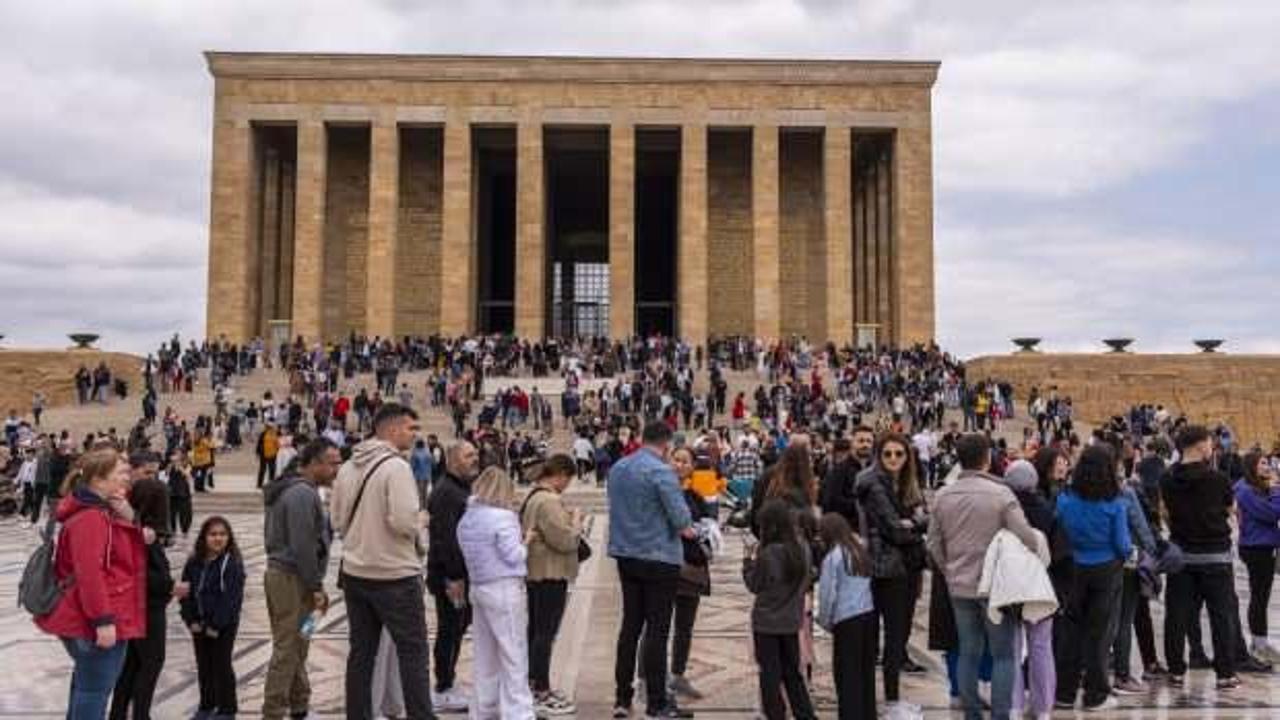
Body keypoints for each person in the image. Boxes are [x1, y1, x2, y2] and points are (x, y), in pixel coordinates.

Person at [330, 403, 435, 720]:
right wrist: (421, 521)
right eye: (410, 428)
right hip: (394, 576)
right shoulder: (396, 467)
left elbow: (336, 519)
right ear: (391, 429)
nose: (414, 434)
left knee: (362, 654)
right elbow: (403, 522)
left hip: (355, 573)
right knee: (413, 652)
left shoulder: (348, 467)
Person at [927, 433, 1038, 720]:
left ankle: (972, 714)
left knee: (968, 651)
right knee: (1003, 654)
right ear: (987, 458)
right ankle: (1000, 715)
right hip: (996, 589)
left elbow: (933, 544)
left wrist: (949, 569)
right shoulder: (1002, 494)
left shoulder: (942, 495)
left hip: (960, 586)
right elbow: (1027, 536)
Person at [36, 447, 146, 719]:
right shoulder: (91, 517)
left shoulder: (100, 510)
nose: (127, 477)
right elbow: (90, 574)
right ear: (98, 480)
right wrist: (103, 621)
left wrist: (129, 515)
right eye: (121, 473)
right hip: (96, 617)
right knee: (94, 691)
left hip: (96, 612)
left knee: (88, 686)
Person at [606, 421, 694, 719]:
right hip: (659, 557)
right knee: (657, 630)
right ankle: (657, 702)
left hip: (625, 553)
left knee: (630, 626)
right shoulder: (661, 472)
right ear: (667, 444)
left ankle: (622, 698)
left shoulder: (618, 468)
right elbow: (681, 519)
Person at [261, 438, 341, 720]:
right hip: (293, 581)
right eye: (333, 463)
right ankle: (273, 712)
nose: (337, 469)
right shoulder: (301, 495)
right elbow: (303, 545)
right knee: (287, 647)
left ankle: (299, 705)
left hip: (290, 578)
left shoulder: (298, 490)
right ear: (315, 463)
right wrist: (316, 587)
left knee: (300, 640)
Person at [1162, 425, 1241, 689]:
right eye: (1209, 443)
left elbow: (1165, 513)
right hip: (1215, 555)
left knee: (1177, 615)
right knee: (1221, 616)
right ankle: (1225, 673)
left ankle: (1175, 669)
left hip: (1182, 555)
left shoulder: (1167, 478)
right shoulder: (1217, 479)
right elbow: (1231, 509)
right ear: (1199, 446)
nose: (1212, 447)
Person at [1054, 445, 1131, 711]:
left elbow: (1059, 530)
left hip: (1074, 568)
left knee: (1070, 632)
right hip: (1106, 569)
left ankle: (1064, 692)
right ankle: (1095, 694)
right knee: (1099, 634)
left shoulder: (1064, 500)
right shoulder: (1116, 504)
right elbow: (1123, 544)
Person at [856, 432, 928, 718]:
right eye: (888, 454)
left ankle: (892, 699)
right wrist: (916, 525)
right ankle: (889, 703)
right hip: (886, 567)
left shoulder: (906, 483)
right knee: (889, 635)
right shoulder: (873, 484)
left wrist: (914, 523)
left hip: (905, 566)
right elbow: (894, 529)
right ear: (878, 455)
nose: (894, 459)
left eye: (899, 453)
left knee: (898, 636)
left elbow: (920, 518)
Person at [457, 466, 537, 719]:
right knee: (514, 652)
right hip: (503, 587)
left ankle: (484, 708)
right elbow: (514, 556)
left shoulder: (468, 517)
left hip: (479, 587)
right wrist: (526, 541)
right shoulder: (503, 517)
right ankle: (518, 712)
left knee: (485, 653)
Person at [111, 453, 177, 720]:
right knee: (150, 662)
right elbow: (141, 573)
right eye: (147, 473)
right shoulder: (142, 532)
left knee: (132, 664)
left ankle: (119, 714)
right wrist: (171, 585)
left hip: (136, 604)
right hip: (146, 605)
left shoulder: (132, 524)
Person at [521, 454, 582, 716]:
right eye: (567, 480)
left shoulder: (533, 496)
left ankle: (532, 682)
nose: (567, 485)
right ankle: (540, 688)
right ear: (560, 474)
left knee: (536, 631)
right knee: (544, 633)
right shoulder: (548, 501)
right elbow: (565, 540)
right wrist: (576, 521)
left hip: (537, 572)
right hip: (550, 572)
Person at [744, 499, 816, 720]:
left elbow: (754, 585)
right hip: (791, 619)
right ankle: (805, 715)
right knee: (793, 673)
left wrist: (747, 560)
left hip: (766, 622)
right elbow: (808, 579)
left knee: (770, 675)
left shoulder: (769, 553)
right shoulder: (802, 548)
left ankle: (776, 715)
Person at [426, 440, 480, 712]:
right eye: (469, 455)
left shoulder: (459, 488)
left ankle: (447, 682)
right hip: (450, 577)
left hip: (458, 575)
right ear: (453, 460)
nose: (475, 458)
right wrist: (455, 577)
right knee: (449, 630)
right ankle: (443, 687)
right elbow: (446, 540)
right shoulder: (448, 492)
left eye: (475, 454)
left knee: (457, 629)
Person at [1001, 459, 1057, 720]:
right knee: (1041, 648)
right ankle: (1043, 707)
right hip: (1039, 587)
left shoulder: (1002, 510)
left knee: (1010, 648)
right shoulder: (1047, 510)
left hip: (1008, 588)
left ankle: (1012, 705)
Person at [179, 516, 246, 720]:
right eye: (213, 534)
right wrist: (190, 620)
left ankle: (227, 709)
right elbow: (186, 592)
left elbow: (231, 598)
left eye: (223, 534)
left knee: (221, 664)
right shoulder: (194, 562)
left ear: (229, 538)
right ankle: (207, 705)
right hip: (199, 623)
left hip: (223, 625)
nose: (218, 538)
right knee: (204, 665)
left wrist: (216, 624)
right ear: (204, 537)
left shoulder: (232, 563)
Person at [816, 513, 876, 720]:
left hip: (846, 619)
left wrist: (825, 620)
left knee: (846, 674)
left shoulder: (833, 557)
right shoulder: (860, 550)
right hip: (868, 615)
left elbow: (827, 594)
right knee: (865, 671)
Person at [669, 446, 713, 701]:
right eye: (676, 460)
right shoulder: (664, 493)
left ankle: (678, 674)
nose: (680, 465)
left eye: (685, 461)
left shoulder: (695, 495)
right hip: (667, 566)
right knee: (657, 626)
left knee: (685, 626)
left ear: (693, 466)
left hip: (692, 568)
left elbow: (707, 523)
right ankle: (646, 679)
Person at [1234, 451, 1280, 662]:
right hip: (1256, 547)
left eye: (1268, 463)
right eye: (1263, 463)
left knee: (1262, 595)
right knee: (1259, 595)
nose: (1268, 467)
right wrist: (1276, 490)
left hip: (1264, 545)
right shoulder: (1245, 489)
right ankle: (1258, 644)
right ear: (1252, 465)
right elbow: (1270, 513)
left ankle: (1260, 640)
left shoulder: (1258, 488)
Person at [167, 449, 195, 537]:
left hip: (183, 490)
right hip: (172, 490)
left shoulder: (187, 464)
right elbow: (167, 474)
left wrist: (179, 466)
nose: (176, 455)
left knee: (185, 512)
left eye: (178, 454)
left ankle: (185, 530)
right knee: (171, 512)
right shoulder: (171, 464)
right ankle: (172, 529)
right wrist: (171, 465)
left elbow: (187, 474)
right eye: (175, 454)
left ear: (182, 455)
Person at [257, 423, 281, 488]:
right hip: (269, 454)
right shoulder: (270, 434)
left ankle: (260, 484)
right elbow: (260, 443)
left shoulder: (265, 434)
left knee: (265, 469)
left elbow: (259, 444)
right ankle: (269, 483)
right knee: (270, 469)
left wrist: (258, 452)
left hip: (267, 454)